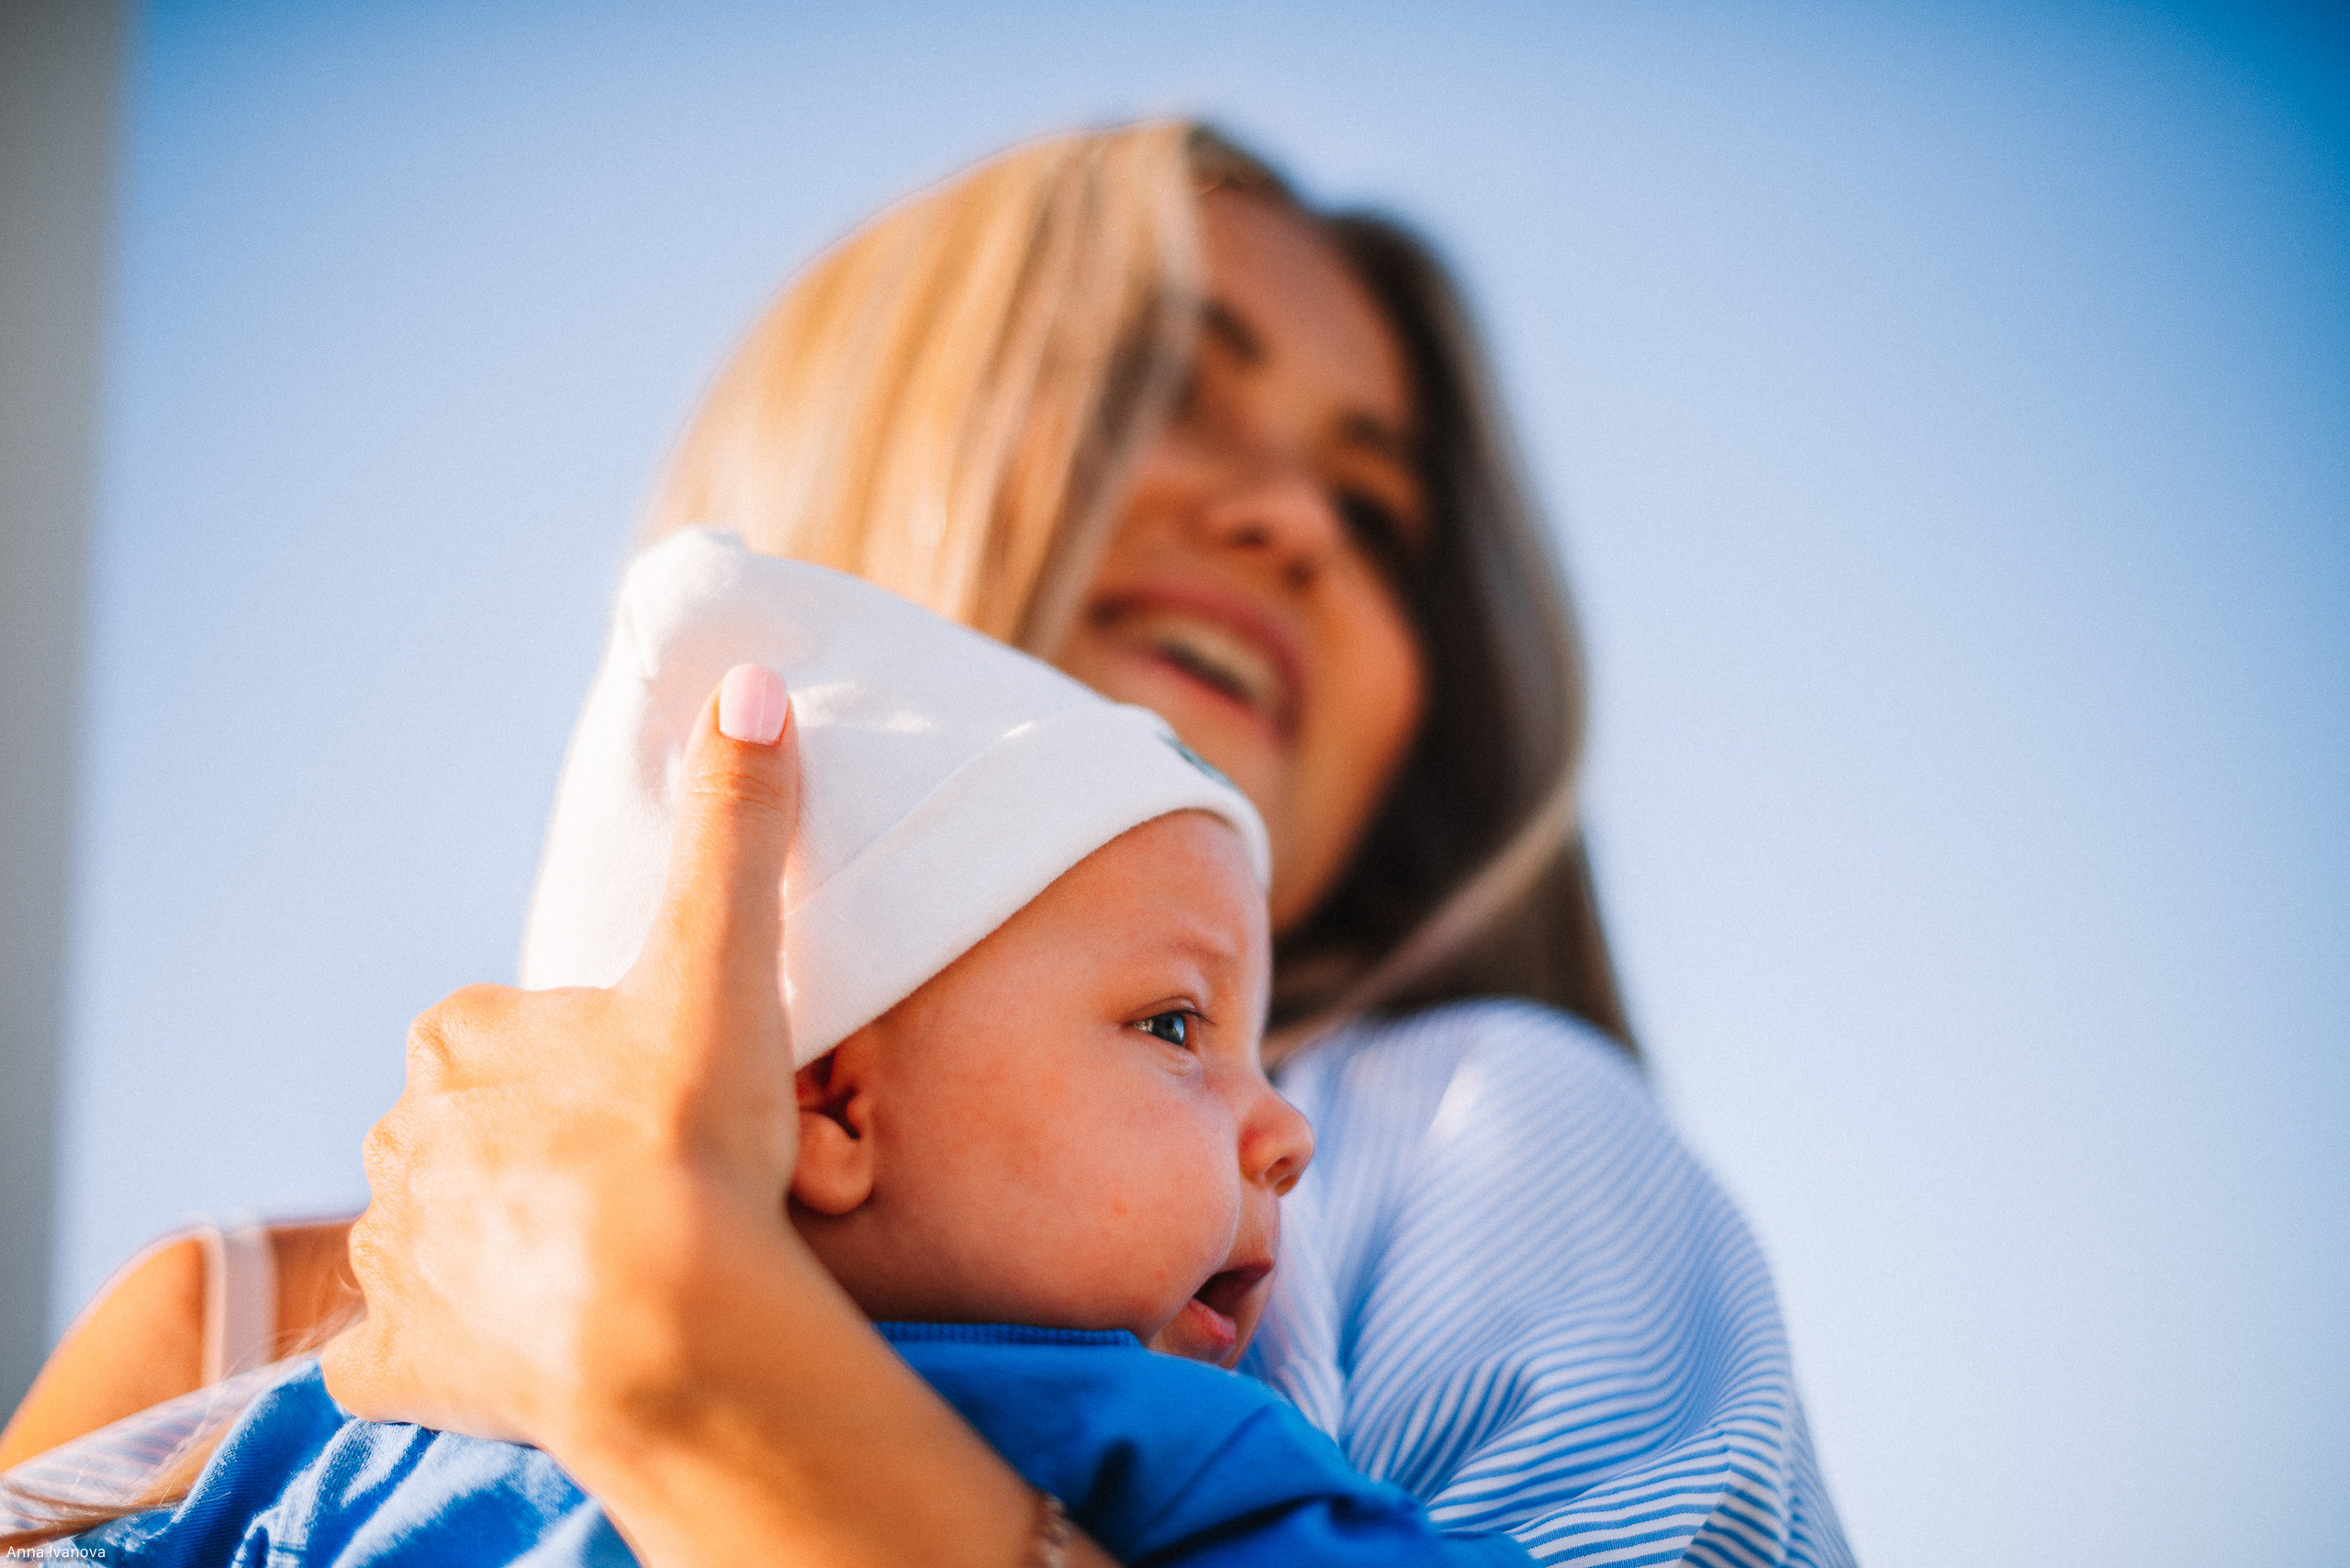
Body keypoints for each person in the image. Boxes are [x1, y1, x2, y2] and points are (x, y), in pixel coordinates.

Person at [2, 122, 1854, 1565]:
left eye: (1374, 506)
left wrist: (686, 1366)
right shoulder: (223, 1329)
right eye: (1165, 384)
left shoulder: (1480, 1138)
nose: (1290, 512)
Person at [39, 538, 1528, 1566]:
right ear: (828, 1099)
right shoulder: (355, 1400)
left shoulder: (1168, 1437)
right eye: (1174, 1027)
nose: (1285, 1130)